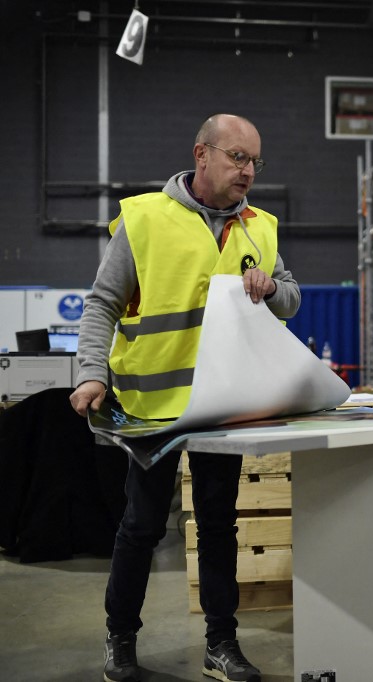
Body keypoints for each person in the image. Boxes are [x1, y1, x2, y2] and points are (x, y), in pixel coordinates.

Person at [70, 113, 299, 682]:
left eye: (255, 161)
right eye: (237, 158)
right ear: (202, 154)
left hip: (224, 408)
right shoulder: (145, 219)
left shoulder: (259, 228)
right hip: (154, 409)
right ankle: (119, 638)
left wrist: (271, 289)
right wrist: (90, 373)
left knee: (220, 525)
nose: (248, 171)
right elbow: (101, 303)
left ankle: (222, 645)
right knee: (143, 526)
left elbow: (291, 296)